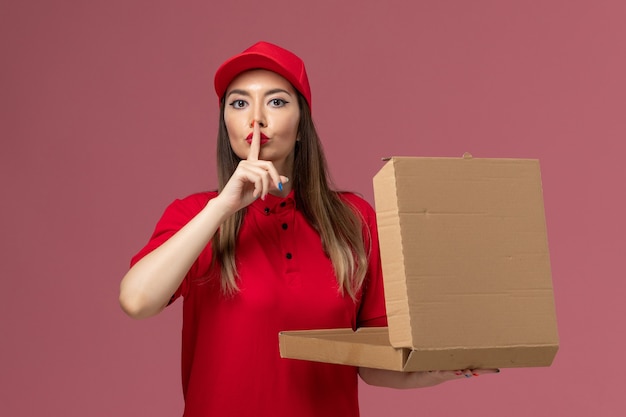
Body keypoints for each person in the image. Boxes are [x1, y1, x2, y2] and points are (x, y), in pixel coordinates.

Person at [119, 41, 497, 417]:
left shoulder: (354, 219)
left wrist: (439, 369)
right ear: (226, 126)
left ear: (302, 126)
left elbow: (371, 364)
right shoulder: (195, 215)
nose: (256, 118)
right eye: (238, 103)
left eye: (276, 101)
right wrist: (221, 208)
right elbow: (137, 301)